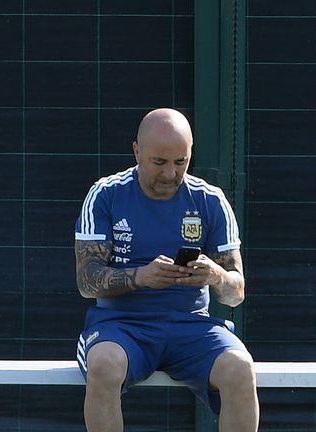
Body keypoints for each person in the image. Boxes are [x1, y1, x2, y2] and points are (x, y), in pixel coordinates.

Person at [74, 108, 260, 431]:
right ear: (136, 152)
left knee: (241, 369)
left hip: (191, 327)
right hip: (122, 326)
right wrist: (139, 277)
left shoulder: (210, 200)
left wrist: (214, 275)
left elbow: (236, 292)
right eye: (159, 162)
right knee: (103, 365)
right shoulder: (106, 194)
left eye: (181, 162)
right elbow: (86, 281)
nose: (171, 174)